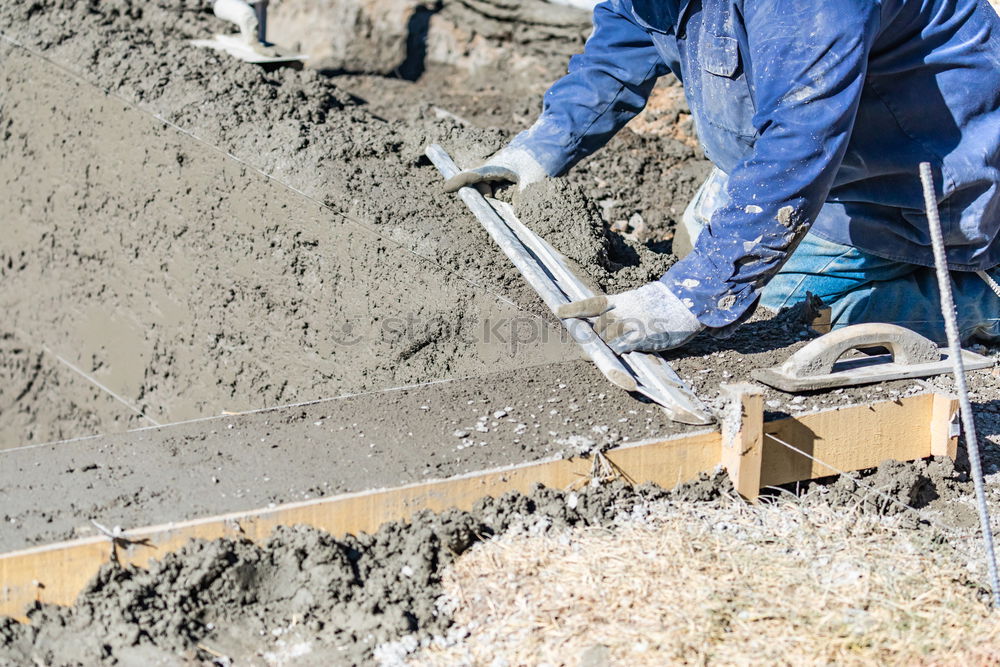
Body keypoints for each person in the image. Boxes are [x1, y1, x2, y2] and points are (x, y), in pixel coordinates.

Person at [444, 0, 1000, 353]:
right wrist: (538, 152)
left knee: (782, 317)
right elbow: (623, 42)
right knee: (697, 242)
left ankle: (981, 299)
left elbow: (801, 139)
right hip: (815, 155)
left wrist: (696, 295)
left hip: (913, 182)